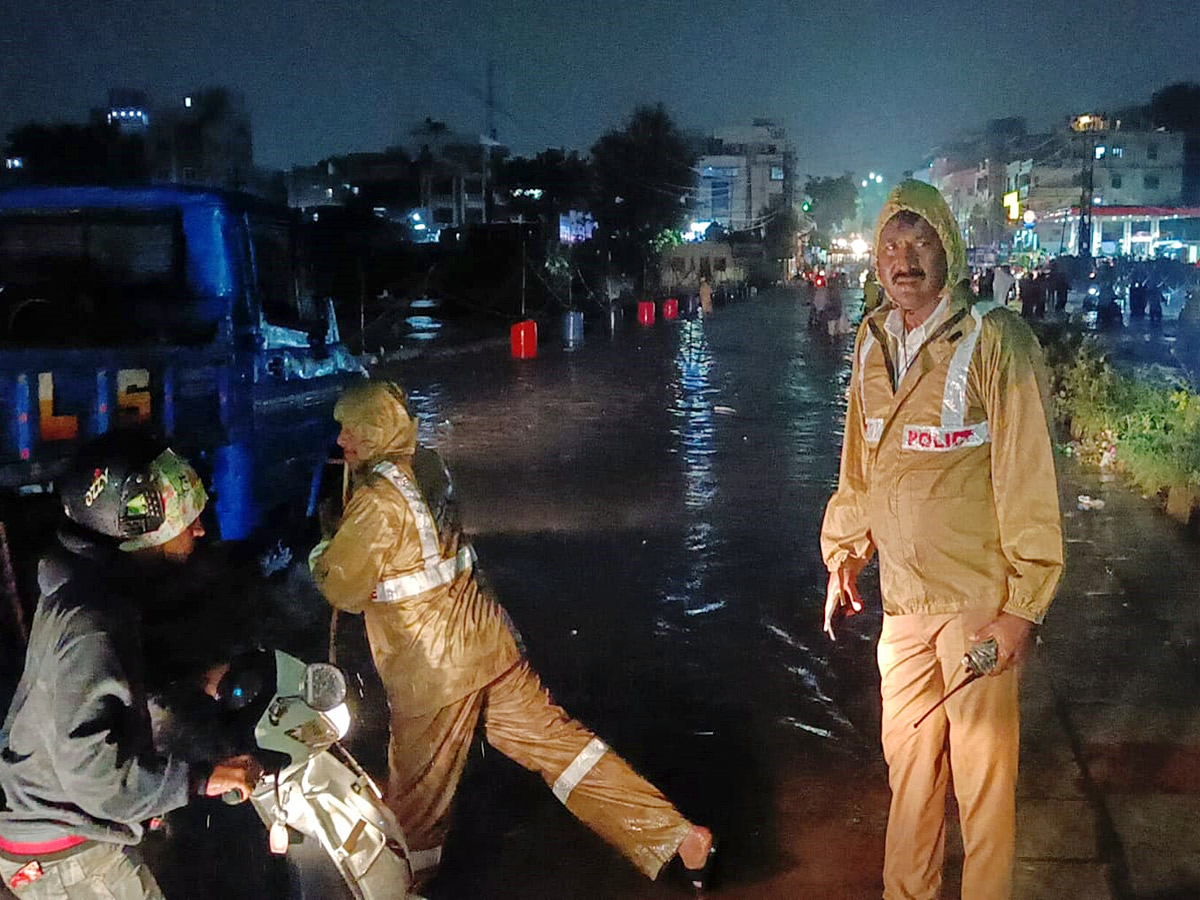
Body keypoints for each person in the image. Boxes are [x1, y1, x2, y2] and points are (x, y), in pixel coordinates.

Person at [309, 381, 715, 889]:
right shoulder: (430, 467)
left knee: (414, 805)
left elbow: (342, 587)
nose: (342, 439)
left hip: (433, 673)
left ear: (376, 427)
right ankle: (679, 837)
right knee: (565, 751)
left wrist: (322, 547)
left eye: (351, 427)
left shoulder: (375, 500)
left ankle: (403, 886)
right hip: (489, 644)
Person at [820, 181, 1063, 900]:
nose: (904, 259)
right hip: (903, 605)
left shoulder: (994, 340)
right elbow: (860, 464)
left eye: (919, 241)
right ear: (876, 259)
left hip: (976, 604)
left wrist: (1023, 607)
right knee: (911, 781)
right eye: (890, 246)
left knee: (984, 791)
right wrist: (844, 552)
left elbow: (1027, 474)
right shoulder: (870, 341)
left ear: (948, 248)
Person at [0, 432, 260, 900]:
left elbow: (87, 691)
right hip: (70, 851)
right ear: (137, 528)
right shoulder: (92, 620)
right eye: (186, 519)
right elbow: (94, 775)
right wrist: (202, 779)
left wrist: (193, 681)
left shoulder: (82, 593)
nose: (199, 530)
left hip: (53, 832)